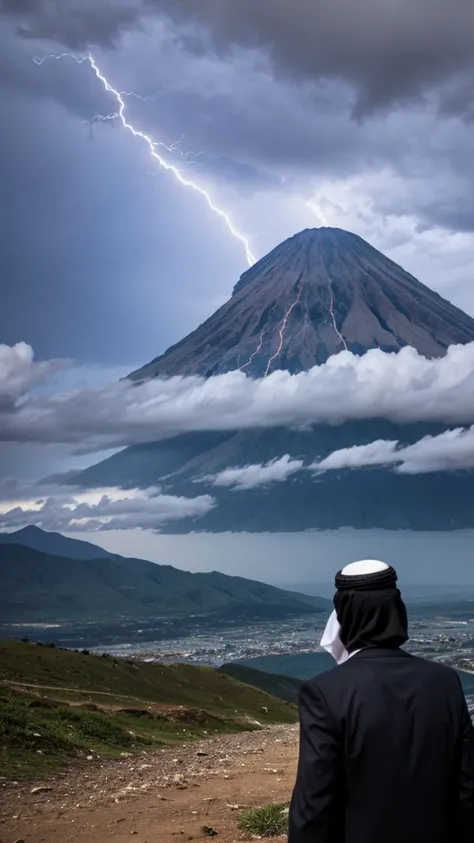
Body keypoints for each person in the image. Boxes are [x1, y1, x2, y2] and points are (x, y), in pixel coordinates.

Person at [288, 559, 474, 843]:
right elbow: (467, 788)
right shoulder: (445, 681)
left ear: (345, 616)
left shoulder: (324, 692)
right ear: (397, 612)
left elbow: (315, 802)